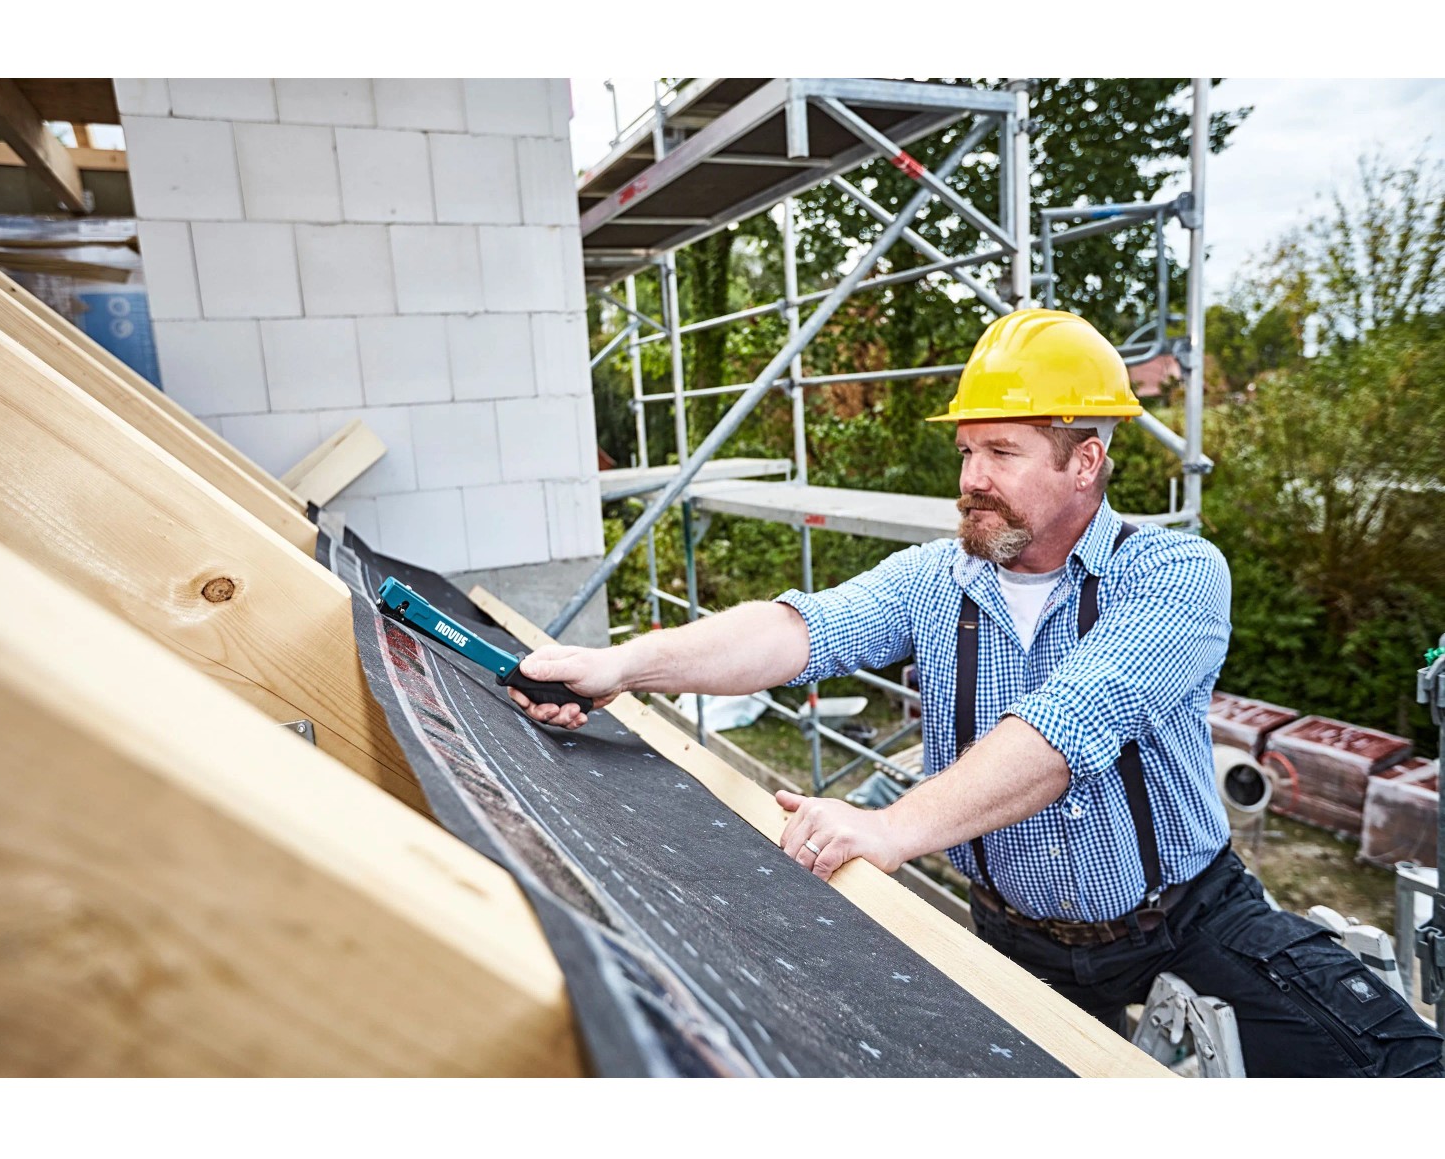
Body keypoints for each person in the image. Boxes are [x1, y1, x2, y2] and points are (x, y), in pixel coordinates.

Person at [510, 308, 1443, 1078]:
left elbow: (1068, 727)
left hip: (1188, 920)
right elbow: (798, 628)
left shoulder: (1174, 575)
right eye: (965, 452)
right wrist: (622, 665)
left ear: (1086, 462)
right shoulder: (934, 579)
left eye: (1001, 451)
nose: (970, 481)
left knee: (1403, 1070)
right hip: (1018, 940)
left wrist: (889, 828)